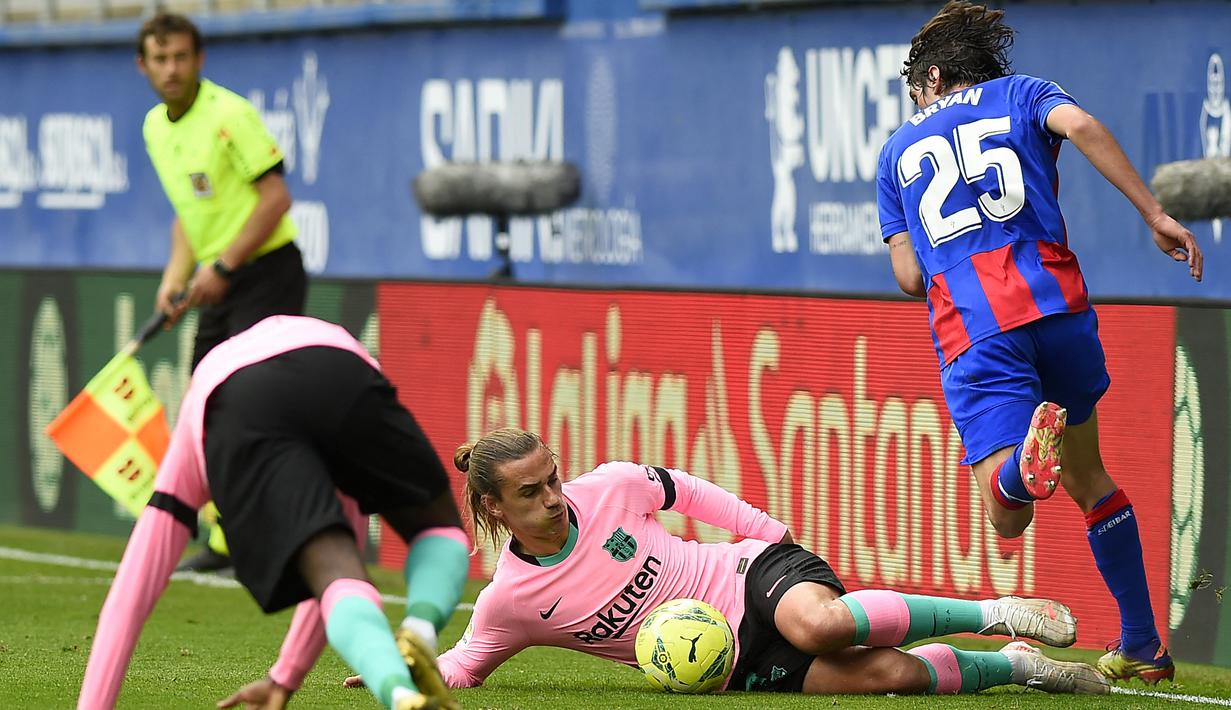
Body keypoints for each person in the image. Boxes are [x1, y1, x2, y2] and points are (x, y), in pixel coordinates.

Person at [875, 1, 1202, 685]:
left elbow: (908, 275)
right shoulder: (1024, 92)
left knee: (1006, 517)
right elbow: (1080, 126)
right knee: (1089, 476)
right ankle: (1142, 643)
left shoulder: (896, 150)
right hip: (1058, 309)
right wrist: (1154, 214)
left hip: (976, 326)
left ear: (932, 76)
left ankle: (1023, 471)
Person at [349, 427, 1106, 697]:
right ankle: (1015, 665)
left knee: (819, 626)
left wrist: (767, 532)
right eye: (531, 490)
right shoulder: (510, 602)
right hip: (731, 664)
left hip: (751, 577)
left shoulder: (608, 487)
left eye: (552, 476)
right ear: (492, 509)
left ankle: (997, 611)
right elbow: (464, 665)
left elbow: (687, 491)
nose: (554, 495)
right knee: (892, 675)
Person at [77, 316, 470, 710]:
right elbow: (344, 541)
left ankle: (400, 695)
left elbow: (133, 590)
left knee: (335, 574)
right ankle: (419, 635)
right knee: (439, 530)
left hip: (237, 395)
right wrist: (284, 679)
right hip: (341, 365)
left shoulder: (193, 440)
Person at [136, 12, 309, 573]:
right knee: (205, 406)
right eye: (160, 60)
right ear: (143, 66)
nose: (171, 69)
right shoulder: (155, 128)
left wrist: (225, 268)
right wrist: (175, 276)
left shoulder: (230, 114)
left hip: (266, 273)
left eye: (181, 57)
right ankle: (224, 537)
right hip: (221, 279)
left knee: (247, 404)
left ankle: (270, 538)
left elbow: (276, 198)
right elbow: (189, 214)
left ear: (199, 59)